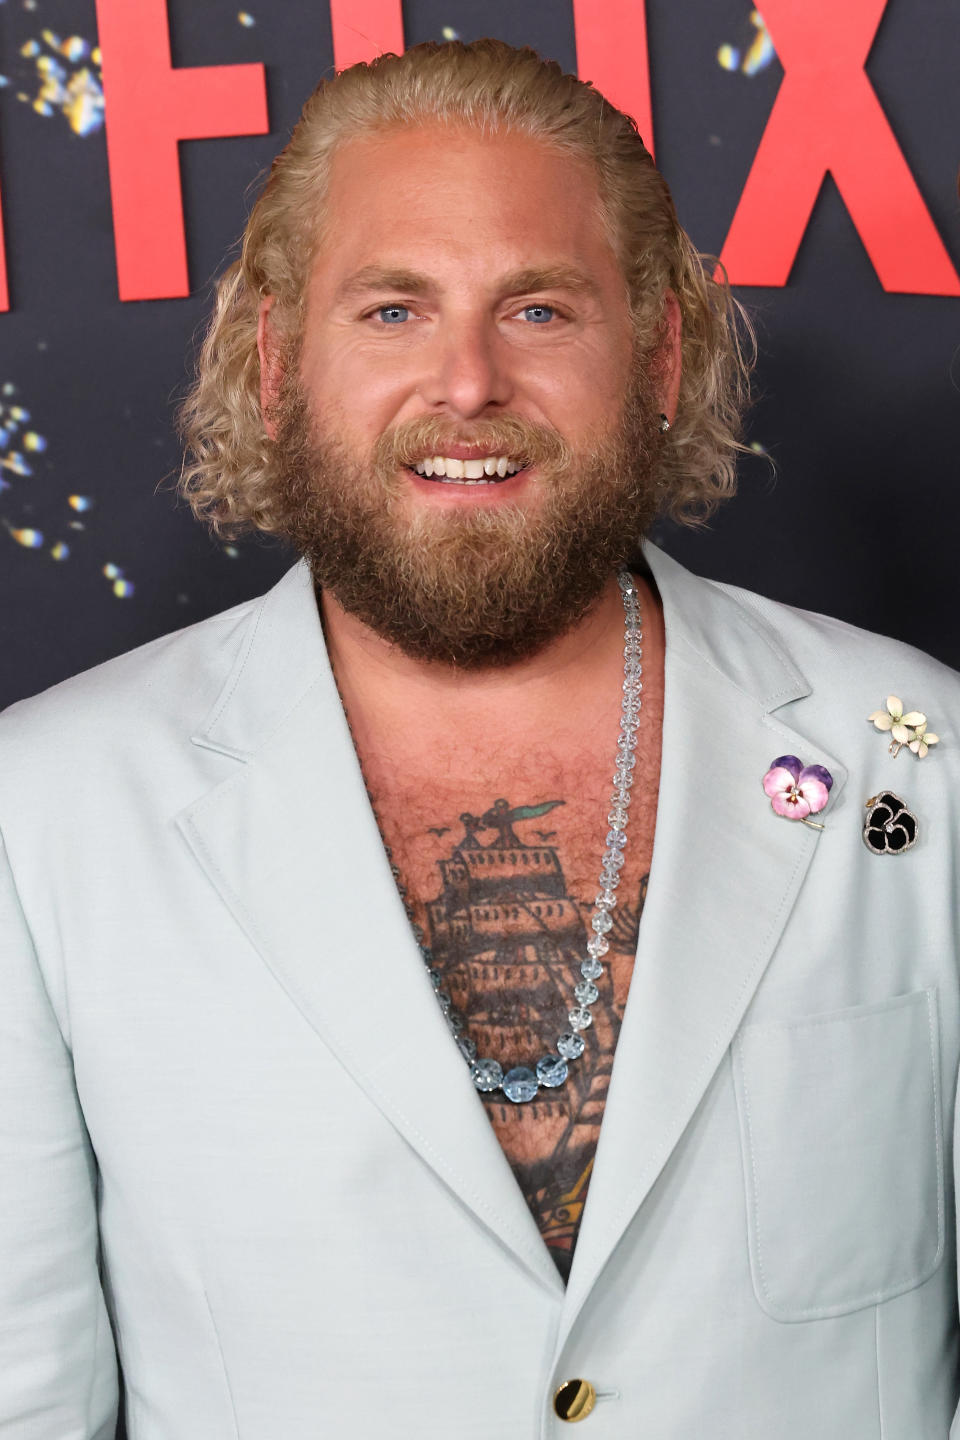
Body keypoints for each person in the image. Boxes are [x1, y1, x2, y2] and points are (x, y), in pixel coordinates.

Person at [1, 38, 958, 1439]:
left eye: (541, 311)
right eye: (392, 310)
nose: (467, 382)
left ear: (662, 353)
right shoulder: (48, 811)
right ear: (277, 363)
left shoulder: (916, 762)